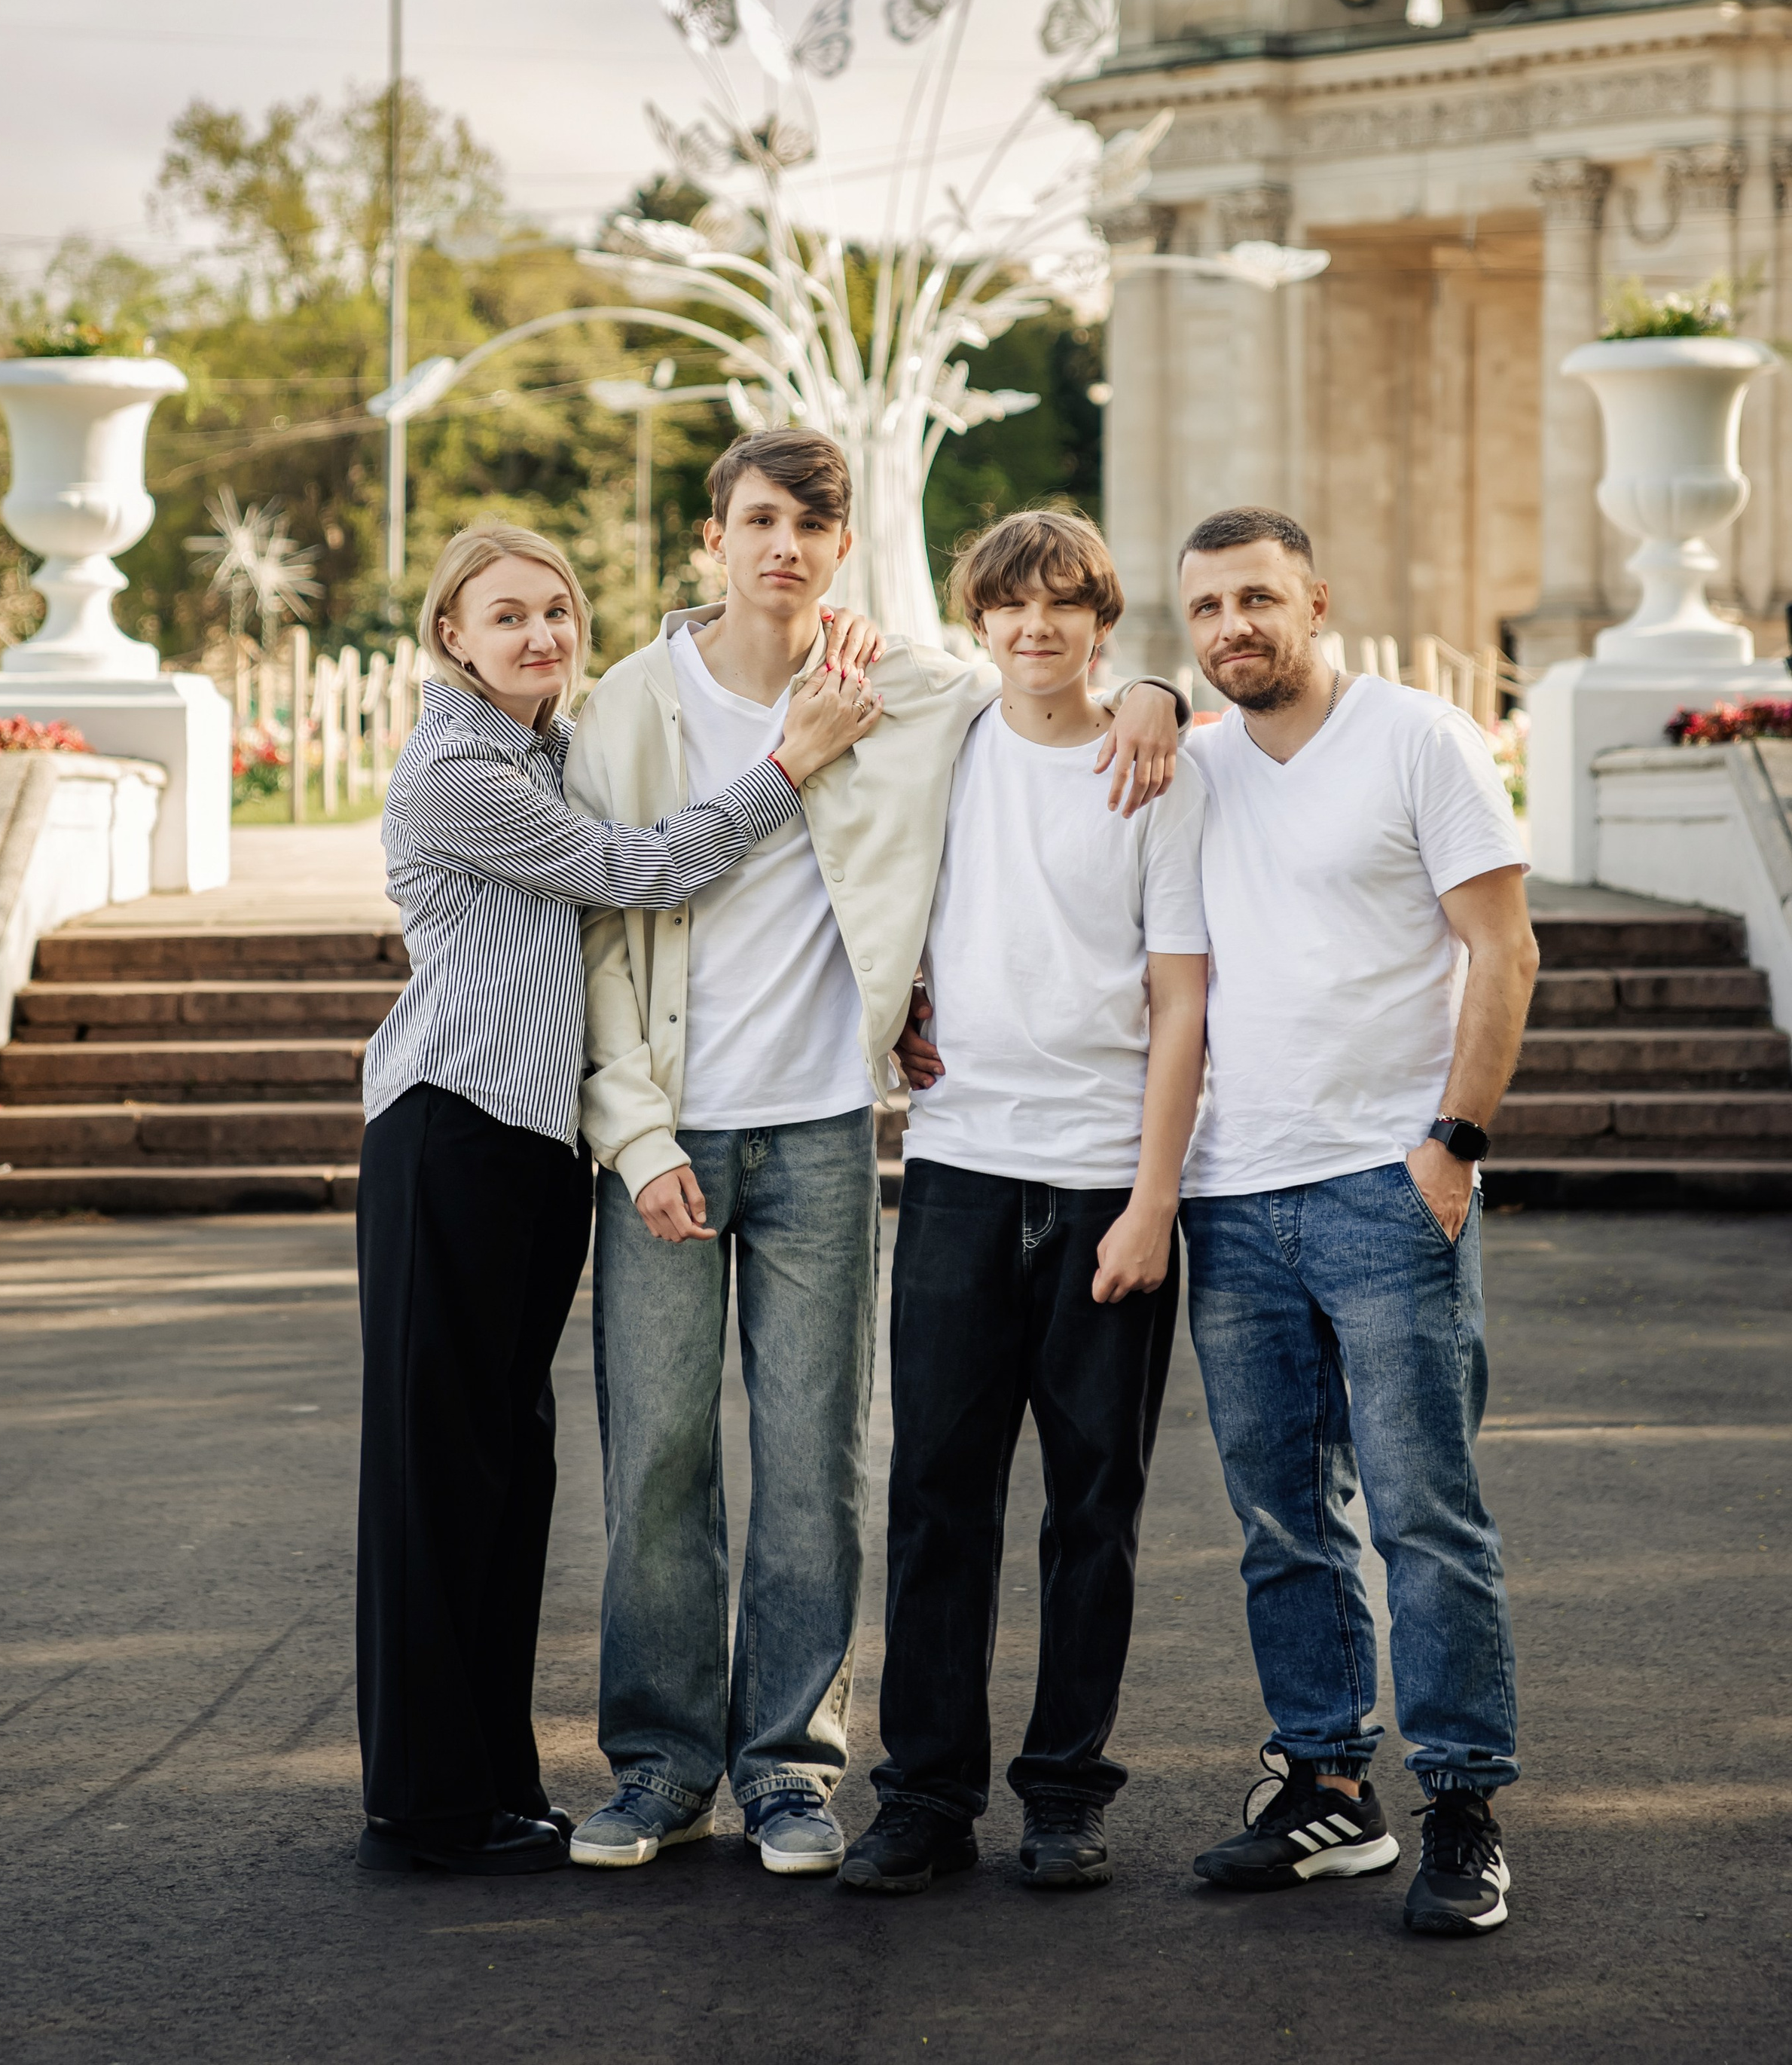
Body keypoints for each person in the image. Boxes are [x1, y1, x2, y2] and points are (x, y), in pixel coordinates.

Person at [563, 433, 1186, 1880]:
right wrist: (635, 1129)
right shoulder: (630, 705)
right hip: (667, 1133)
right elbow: (597, 934)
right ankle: (660, 1765)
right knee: (656, 1459)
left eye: (811, 524)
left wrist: (1161, 686)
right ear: (712, 537)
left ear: (844, 549)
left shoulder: (906, 688)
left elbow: (1058, 681)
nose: (783, 545)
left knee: (818, 1466)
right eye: (759, 519)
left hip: (827, 1129)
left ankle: (791, 1767)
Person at [352, 518, 881, 1878]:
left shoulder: (543, 744)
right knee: (435, 1473)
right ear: (449, 637)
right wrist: (787, 766)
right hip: (446, 1133)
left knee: (504, 1470)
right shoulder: (461, 766)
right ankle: (425, 1801)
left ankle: (491, 1783)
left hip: (529, 1152)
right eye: (507, 616)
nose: (539, 636)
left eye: (557, 613)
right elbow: (641, 873)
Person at [1175, 506, 1537, 1938]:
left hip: (1388, 1187)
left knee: (1424, 1515)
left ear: (1315, 601)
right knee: (1279, 1517)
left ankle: (1463, 1804)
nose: (1232, 631)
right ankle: (1328, 1784)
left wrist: (1452, 1148)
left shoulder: (1416, 738)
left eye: (1257, 600)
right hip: (1230, 1195)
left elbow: (1503, 947)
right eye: (1204, 612)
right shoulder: (1191, 761)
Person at [841, 513, 1210, 1898]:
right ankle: (925, 1795)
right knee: (937, 1495)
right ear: (979, 621)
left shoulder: (1155, 769)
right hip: (959, 1166)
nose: (1037, 630)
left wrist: (1153, 1200)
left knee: (1093, 1504)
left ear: (1102, 624)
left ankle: (1065, 1792)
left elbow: (1183, 1002)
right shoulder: (946, 742)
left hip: (1107, 1178)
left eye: (1066, 608)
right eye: (1011, 607)